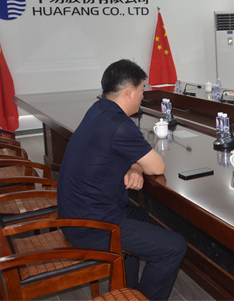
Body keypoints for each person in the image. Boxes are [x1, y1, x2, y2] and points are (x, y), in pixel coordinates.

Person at [57, 59, 186, 300]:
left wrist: (135, 167)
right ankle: (142, 298)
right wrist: (139, 165)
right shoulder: (120, 125)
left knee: (140, 216)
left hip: (74, 215)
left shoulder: (99, 110)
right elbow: (157, 166)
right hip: (92, 227)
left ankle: (126, 289)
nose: (142, 97)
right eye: (142, 90)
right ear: (129, 91)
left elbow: (125, 156)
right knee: (174, 246)